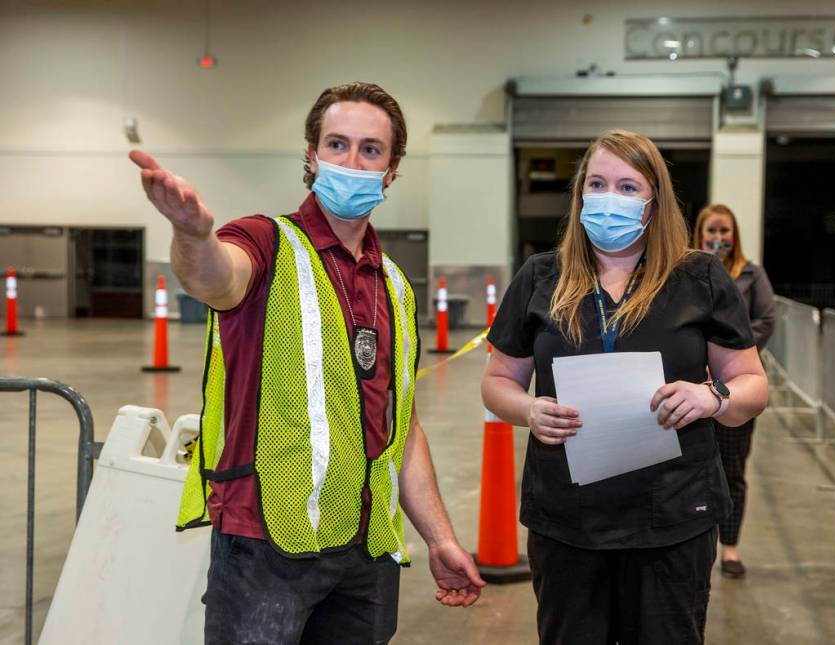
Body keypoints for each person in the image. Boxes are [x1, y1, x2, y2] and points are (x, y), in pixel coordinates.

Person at [130, 81, 484, 645]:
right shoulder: (267, 242)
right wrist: (191, 234)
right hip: (266, 545)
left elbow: (402, 429)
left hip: (366, 550)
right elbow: (216, 278)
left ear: (391, 170)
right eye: (337, 144)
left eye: (371, 150)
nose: (352, 159)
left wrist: (439, 536)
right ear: (312, 156)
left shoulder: (393, 284)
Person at [481, 129, 768, 644]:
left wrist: (711, 398)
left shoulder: (698, 278)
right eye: (597, 183)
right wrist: (528, 410)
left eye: (628, 187)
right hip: (567, 518)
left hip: (671, 518)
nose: (609, 198)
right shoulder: (540, 277)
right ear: (579, 195)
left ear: (654, 203)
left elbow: (752, 385)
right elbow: (498, 381)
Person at [694, 204, 775, 579]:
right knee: (691, 467)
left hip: (733, 386)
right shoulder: (685, 272)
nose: (719, 238)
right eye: (712, 230)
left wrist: (729, 354)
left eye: (725, 230)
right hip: (692, 385)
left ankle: (730, 547)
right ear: (699, 233)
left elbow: (766, 319)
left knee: (732, 469)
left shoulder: (752, 275)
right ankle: (697, 542)